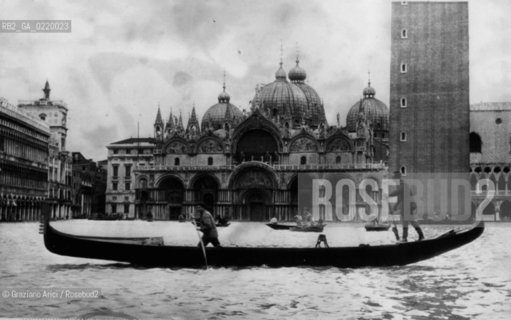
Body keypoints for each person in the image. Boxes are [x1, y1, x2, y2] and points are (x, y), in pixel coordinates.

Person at [389, 171, 424, 241]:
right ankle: (406, 238)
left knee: (409, 221)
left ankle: (418, 236)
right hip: (405, 206)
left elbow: (399, 191)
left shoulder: (403, 184)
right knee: (407, 222)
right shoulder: (399, 185)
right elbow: (399, 198)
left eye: (394, 178)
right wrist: (395, 207)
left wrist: (389, 195)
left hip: (408, 206)